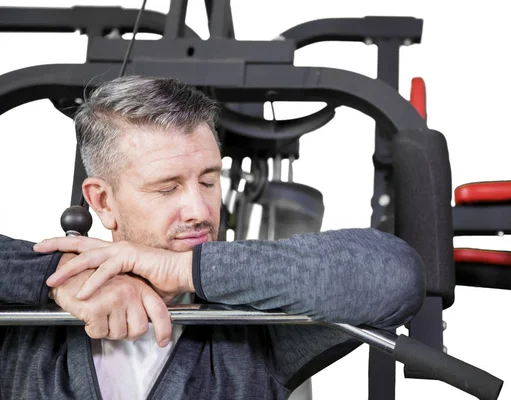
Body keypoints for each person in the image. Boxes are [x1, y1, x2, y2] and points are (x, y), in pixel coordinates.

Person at [0, 75, 426, 400]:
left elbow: (394, 273)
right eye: (167, 188)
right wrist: (57, 275)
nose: (201, 212)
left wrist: (180, 268)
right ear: (103, 201)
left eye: (208, 181)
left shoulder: (253, 333)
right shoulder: (31, 330)